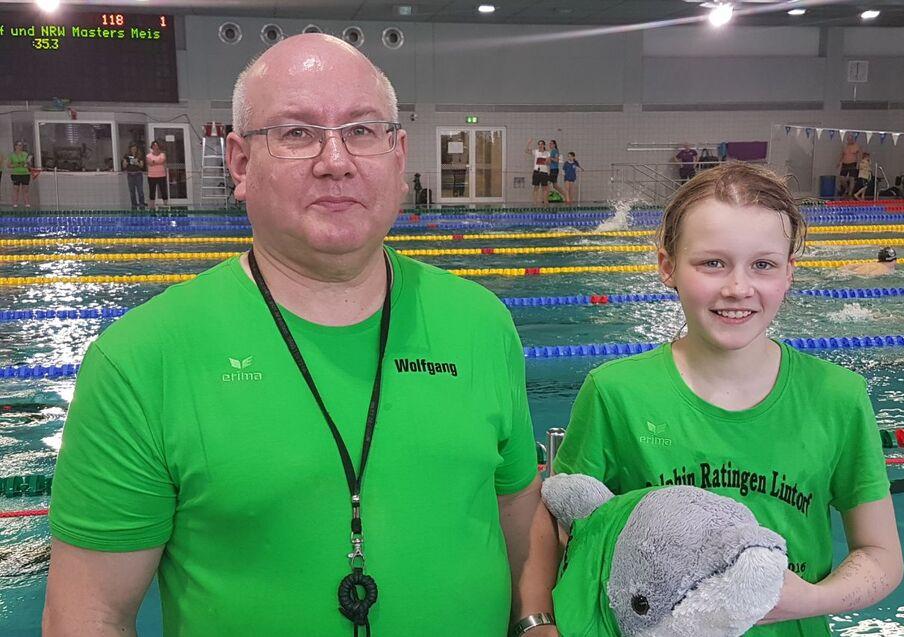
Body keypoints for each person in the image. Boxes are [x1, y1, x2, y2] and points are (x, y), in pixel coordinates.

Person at [43, 34, 558, 637]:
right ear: (240, 164)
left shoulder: (481, 322)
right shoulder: (141, 359)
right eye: (297, 133)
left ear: (397, 155)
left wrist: (534, 621)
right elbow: (90, 615)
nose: (335, 160)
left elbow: (518, 516)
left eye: (362, 131)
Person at [553, 163, 903, 636]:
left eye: (763, 264)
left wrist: (809, 599)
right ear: (667, 267)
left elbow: (881, 555)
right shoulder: (616, 394)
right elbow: (572, 542)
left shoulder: (837, 396)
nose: (738, 288)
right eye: (712, 262)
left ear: (788, 273)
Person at [526, 138, 551, 205]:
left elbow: (549, 163)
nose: (540, 145)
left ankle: (545, 201)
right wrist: (528, 143)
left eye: (541, 144)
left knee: (545, 188)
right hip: (537, 171)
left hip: (544, 172)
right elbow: (526, 151)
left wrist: (546, 161)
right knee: (536, 187)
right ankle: (535, 202)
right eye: (539, 144)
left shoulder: (547, 153)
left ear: (544, 145)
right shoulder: (536, 151)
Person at [121, 143, 146, 210]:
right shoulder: (127, 156)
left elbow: (142, 166)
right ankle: (134, 204)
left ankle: (142, 204)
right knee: (132, 191)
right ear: (130, 149)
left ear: (137, 149)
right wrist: (126, 163)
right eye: (132, 148)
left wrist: (137, 163)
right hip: (130, 175)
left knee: (140, 191)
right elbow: (124, 166)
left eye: (135, 148)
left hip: (138, 174)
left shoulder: (139, 156)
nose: (133, 150)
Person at [8, 140, 32, 208]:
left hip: (25, 174)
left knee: (25, 189)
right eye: (18, 145)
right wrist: (18, 164)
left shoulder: (25, 154)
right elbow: (9, 165)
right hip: (16, 174)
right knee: (16, 189)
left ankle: (27, 203)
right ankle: (15, 203)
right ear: (15, 146)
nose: (20, 147)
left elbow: (29, 165)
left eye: (21, 145)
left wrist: (28, 163)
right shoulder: (12, 155)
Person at [146, 140, 168, 209]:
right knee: (152, 191)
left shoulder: (162, 154)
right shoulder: (148, 155)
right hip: (151, 176)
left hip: (161, 175)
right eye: (154, 145)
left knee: (163, 190)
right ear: (152, 147)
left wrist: (154, 161)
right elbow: (150, 163)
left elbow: (162, 161)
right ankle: (152, 205)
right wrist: (157, 161)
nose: (155, 147)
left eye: (156, 145)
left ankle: (165, 204)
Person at [547, 140, 568, 204]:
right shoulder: (552, 151)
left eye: (551, 144)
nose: (550, 145)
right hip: (552, 169)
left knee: (548, 184)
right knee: (555, 186)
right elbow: (551, 162)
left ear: (554, 145)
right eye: (549, 144)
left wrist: (550, 158)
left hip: (554, 169)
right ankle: (566, 196)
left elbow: (556, 160)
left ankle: (546, 200)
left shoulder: (555, 151)